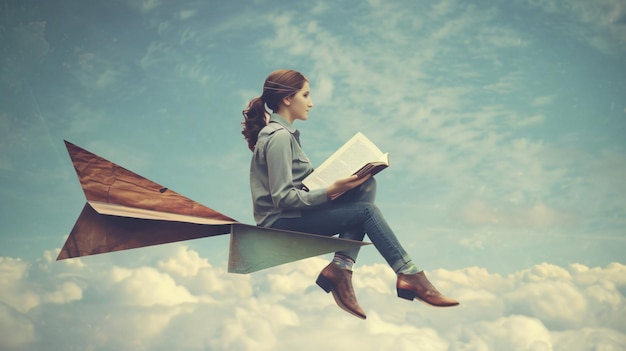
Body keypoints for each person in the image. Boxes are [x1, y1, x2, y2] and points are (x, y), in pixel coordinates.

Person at [241, 69, 459, 319]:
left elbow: (298, 187)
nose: (311, 103)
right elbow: (283, 199)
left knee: (365, 186)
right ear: (288, 99)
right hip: (279, 223)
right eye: (306, 94)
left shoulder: (285, 136)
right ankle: (408, 274)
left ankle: (341, 268)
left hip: (295, 214)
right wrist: (331, 191)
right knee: (366, 212)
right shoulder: (278, 138)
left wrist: (338, 185)